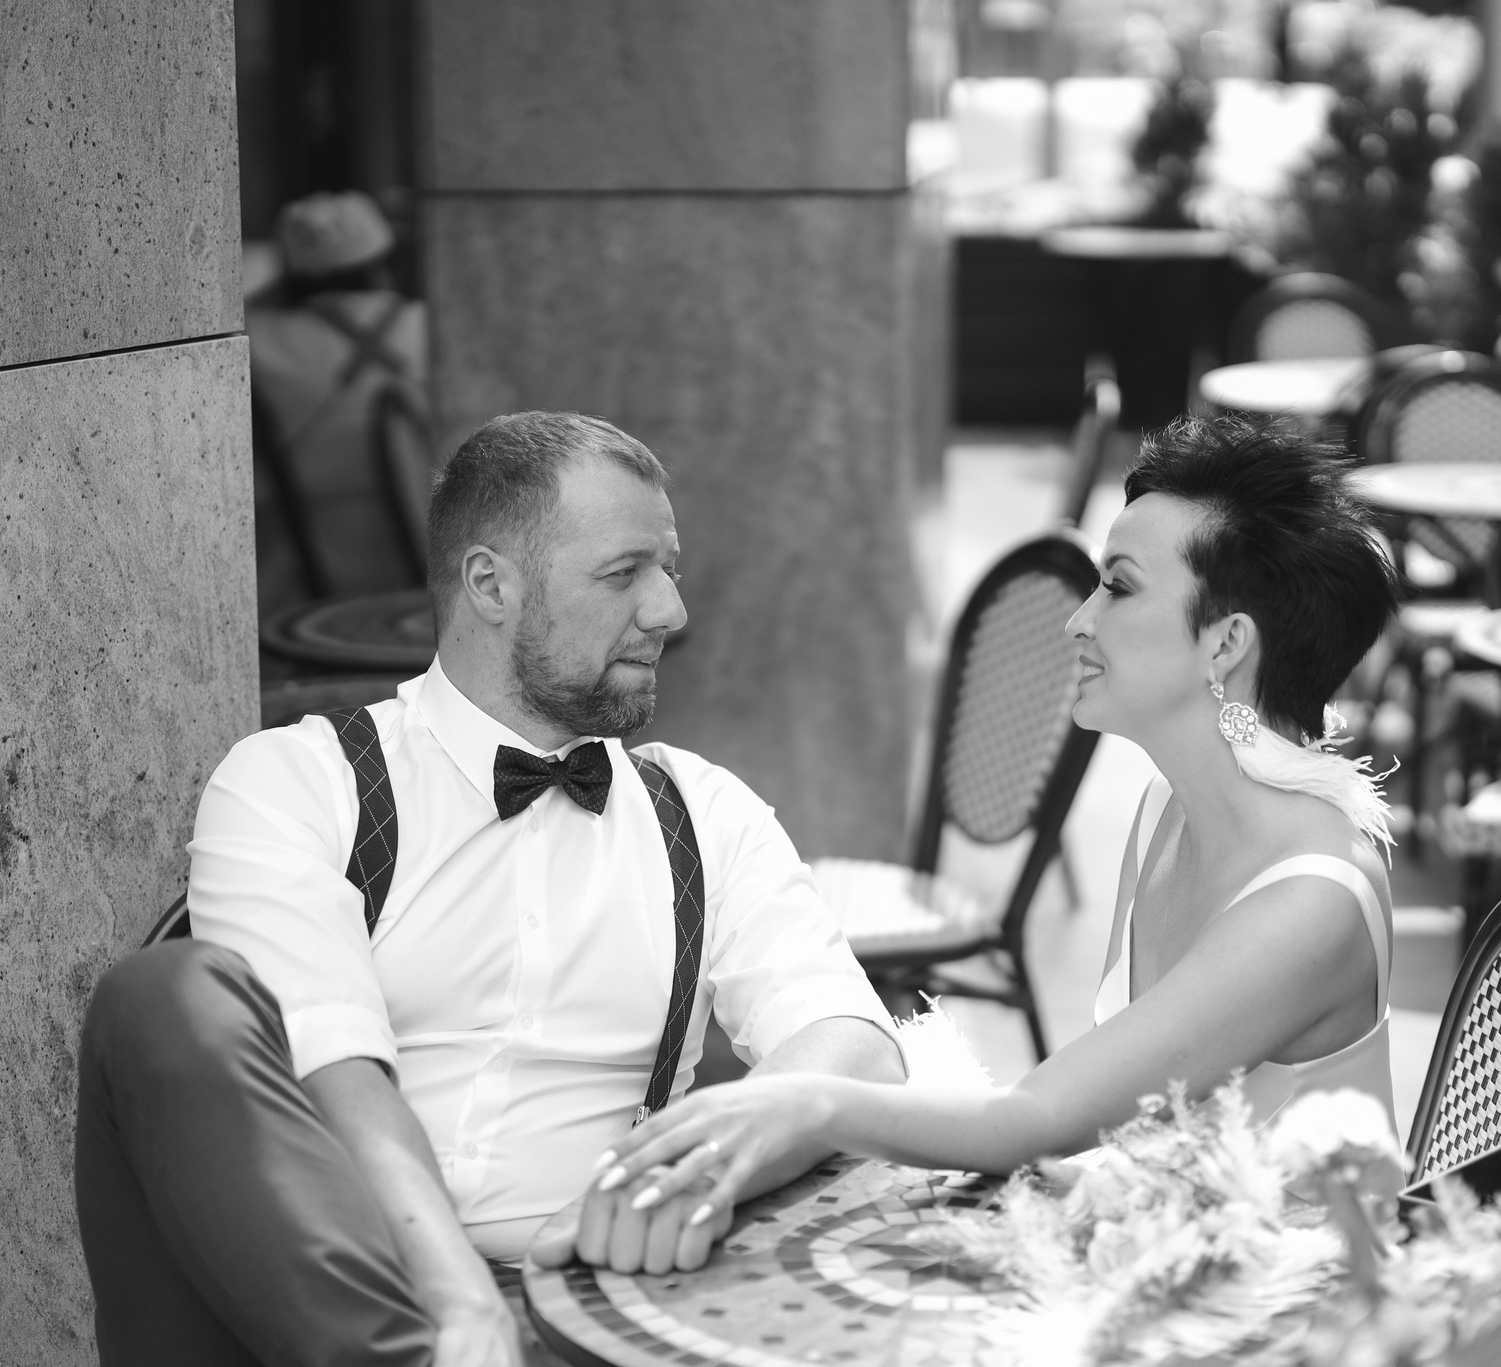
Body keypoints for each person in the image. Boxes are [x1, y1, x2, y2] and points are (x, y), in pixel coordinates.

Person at [71, 411, 905, 1367]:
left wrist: (710, 1150)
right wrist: (448, 1299)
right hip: (241, 1362)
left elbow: (852, 1043)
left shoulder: (703, 816)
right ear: (489, 584)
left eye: (669, 570)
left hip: (545, 1364)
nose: (671, 610)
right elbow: (327, 1067)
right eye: (626, 573)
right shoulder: (292, 784)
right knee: (157, 998)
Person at [546, 415, 1401, 1279]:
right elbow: (1118, 1129)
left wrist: (801, 1103)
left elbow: (1037, 1117)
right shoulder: (1165, 810)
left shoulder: (1311, 901)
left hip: (1285, 1341)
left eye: (1118, 587)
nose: (1078, 620)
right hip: (1169, 1265)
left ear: (1226, 642)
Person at [245, 191, 432, 618]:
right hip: (418, 536)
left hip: (300, 555)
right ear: (381, 257)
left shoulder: (259, 336)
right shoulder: (423, 326)